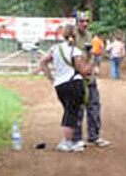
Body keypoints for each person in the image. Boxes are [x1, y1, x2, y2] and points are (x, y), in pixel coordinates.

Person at [38, 24, 89, 152]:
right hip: (74, 83)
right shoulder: (75, 51)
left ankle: (70, 140)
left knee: (68, 111)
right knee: (72, 113)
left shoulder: (55, 48)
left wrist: (51, 78)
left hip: (60, 85)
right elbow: (82, 70)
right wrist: (90, 62)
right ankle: (67, 142)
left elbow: (43, 62)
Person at [72, 12, 111, 148]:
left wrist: (93, 67)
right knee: (77, 109)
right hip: (76, 77)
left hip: (89, 77)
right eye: (82, 21)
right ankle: (76, 138)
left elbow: (91, 55)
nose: (85, 24)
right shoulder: (72, 37)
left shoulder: (90, 36)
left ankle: (94, 136)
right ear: (77, 22)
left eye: (87, 21)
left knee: (94, 106)